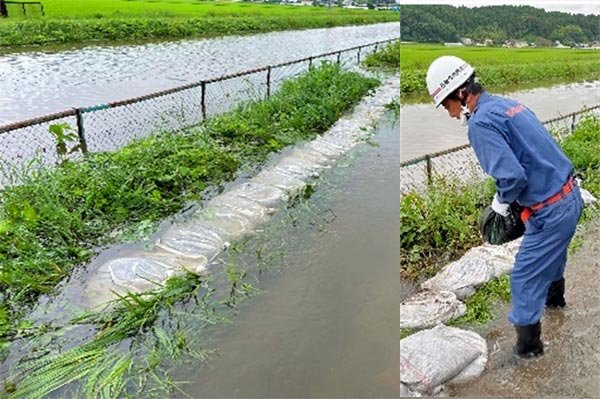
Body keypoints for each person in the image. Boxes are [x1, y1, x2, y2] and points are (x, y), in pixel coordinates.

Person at [425, 55, 584, 358]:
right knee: (552, 256)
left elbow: (512, 177)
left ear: (460, 92)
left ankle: (529, 352)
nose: (449, 113)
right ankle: (555, 306)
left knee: (523, 277)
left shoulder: (480, 123)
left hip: (550, 209)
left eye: (447, 104)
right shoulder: (507, 105)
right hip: (569, 195)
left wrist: (499, 205)